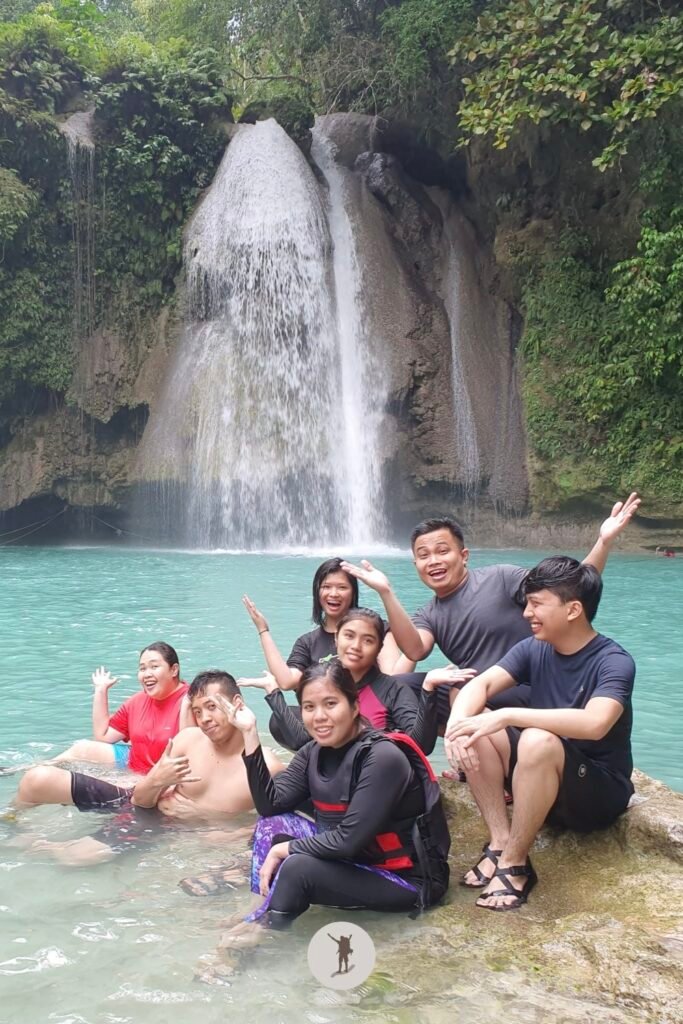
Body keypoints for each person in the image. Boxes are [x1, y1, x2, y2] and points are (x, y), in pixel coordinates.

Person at [341, 493, 640, 728]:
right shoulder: (429, 614)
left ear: (464, 555)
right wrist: (386, 592)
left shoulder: (501, 577)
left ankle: (486, 754)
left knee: (461, 690)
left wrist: (603, 542)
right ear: (416, 565)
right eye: (423, 555)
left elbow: (569, 588)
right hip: (480, 693)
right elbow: (416, 650)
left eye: (442, 551)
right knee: (398, 687)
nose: (433, 561)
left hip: (531, 685)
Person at [444, 556, 635, 911]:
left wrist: (510, 715)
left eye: (536, 604)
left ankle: (516, 865)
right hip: (541, 780)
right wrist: (457, 728)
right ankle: (500, 842)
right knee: (477, 727)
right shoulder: (536, 648)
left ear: (573, 609)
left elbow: (596, 723)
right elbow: (480, 683)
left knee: (534, 736)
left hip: (596, 795)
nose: (525, 613)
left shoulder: (613, 661)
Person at [217, 660, 451, 942]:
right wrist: (249, 735)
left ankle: (259, 938)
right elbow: (270, 806)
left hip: (406, 880)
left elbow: (348, 840)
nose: (319, 717)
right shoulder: (313, 752)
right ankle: (261, 908)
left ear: (354, 707)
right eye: (309, 707)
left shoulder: (383, 758)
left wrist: (284, 850)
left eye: (331, 704)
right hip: (355, 861)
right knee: (271, 824)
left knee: (296, 867)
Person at [15, 671, 283, 864]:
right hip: (143, 805)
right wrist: (157, 780)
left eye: (212, 707)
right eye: (198, 711)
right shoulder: (188, 740)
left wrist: (228, 832)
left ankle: (40, 846)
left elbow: (287, 825)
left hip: (171, 827)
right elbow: (141, 800)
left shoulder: (268, 766)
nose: (204, 719)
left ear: (237, 704)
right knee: (37, 779)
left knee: (79, 857)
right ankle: (10, 824)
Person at [254, 608, 475, 755]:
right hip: (329, 780)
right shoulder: (324, 682)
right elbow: (304, 744)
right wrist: (274, 695)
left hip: (373, 781)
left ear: (379, 648)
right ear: (336, 637)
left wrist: (427, 690)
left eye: (368, 640)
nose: (356, 646)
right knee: (280, 722)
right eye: (349, 636)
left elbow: (421, 746)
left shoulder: (392, 689)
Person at [240, 556, 402, 692]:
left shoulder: (377, 629)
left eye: (342, 587)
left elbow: (393, 677)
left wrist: (385, 591)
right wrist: (263, 630)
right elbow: (287, 681)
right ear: (317, 592)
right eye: (326, 587)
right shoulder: (308, 642)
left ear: (353, 593)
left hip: (373, 710)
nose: (333, 594)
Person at [48, 642, 191, 773]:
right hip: (134, 761)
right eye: (142, 668)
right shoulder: (137, 701)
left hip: (165, 776)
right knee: (81, 749)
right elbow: (102, 736)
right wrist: (100, 689)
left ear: (174, 670)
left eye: (154, 667)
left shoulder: (192, 700)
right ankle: (36, 770)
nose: (147, 674)